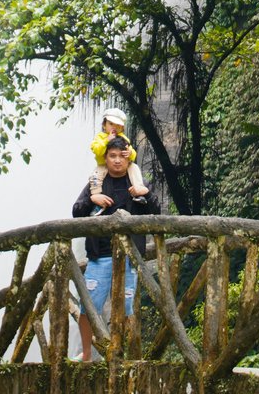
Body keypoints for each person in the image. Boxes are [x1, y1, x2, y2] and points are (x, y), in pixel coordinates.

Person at [72, 136, 160, 361]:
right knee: (89, 306)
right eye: (113, 156)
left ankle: (125, 354)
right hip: (99, 256)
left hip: (130, 257)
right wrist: (94, 199)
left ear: (129, 157)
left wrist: (146, 194)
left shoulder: (138, 183)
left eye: (122, 156)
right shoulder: (97, 183)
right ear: (106, 158)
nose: (118, 161)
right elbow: (77, 211)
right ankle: (87, 353)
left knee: (127, 307)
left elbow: (157, 213)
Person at [89, 108, 149, 207]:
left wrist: (130, 153)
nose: (114, 128)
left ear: (122, 128)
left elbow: (132, 153)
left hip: (126, 166)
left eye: (118, 126)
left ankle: (139, 191)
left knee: (134, 168)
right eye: (111, 124)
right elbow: (96, 150)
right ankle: (97, 198)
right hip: (103, 165)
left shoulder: (123, 138)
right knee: (95, 177)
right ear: (104, 125)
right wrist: (106, 141)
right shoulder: (100, 137)